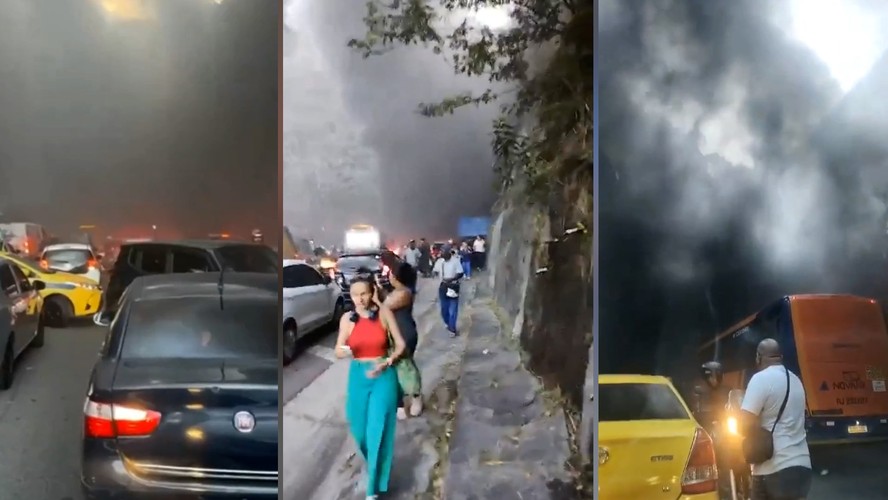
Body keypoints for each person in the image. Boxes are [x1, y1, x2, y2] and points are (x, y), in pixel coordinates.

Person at [335, 276, 407, 500]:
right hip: (358, 376)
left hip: (383, 376)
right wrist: (343, 350)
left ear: (372, 292)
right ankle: (374, 465)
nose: (360, 299)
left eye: (364, 293)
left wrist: (388, 361)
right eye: (355, 294)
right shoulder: (347, 319)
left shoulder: (384, 313)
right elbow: (337, 348)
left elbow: (401, 344)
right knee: (359, 430)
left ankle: (372, 488)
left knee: (377, 431)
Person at [741, 339, 811, 500]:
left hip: (773, 469)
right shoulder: (796, 380)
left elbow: (743, 425)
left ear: (759, 357)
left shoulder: (760, 379)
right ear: (780, 357)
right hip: (802, 468)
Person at [377, 262, 423, 419]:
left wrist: (377, 299)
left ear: (397, 277)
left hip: (404, 335)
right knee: (393, 371)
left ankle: (416, 397)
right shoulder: (398, 291)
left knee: (407, 368)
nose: (388, 276)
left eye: (391, 274)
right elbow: (386, 299)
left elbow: (385, 306)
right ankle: (400, 404)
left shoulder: (405, 293)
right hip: (392, 335)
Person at [433, 244, 463, 337]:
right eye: (441, 251)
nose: (441, 253)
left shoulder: (455, 261)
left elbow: (460, 273)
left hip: (453, 286)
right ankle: (448, 323)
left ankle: (452, 329)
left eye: (443, 251)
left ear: (448, 252)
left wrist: (451, 279)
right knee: (444, 309)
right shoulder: (439, 261)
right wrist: (434, 272)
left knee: (453, 309)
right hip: (443, 286)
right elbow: (435, 270)